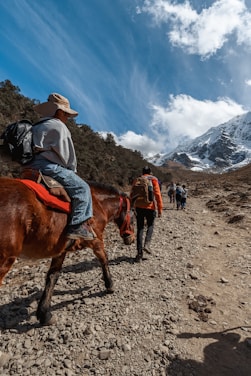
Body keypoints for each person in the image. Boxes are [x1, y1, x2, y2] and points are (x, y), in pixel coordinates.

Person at [24, 93, 96, 241]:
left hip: (31, 165)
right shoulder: (58, 126)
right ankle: (77, 226)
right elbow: (67, 156)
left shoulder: (36, 126)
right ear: (59, 111)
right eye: (66, 114)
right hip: (49, 167)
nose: (67, 118)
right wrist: (72, 171)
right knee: (82, 188)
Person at [130, 166, 163, 262]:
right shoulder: (153, 179)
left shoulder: (137, 179)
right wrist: (160, 209)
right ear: (150, 172)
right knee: (150, 225)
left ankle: (139, 254)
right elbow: (157, 194)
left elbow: (132, 193)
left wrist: (131, 207)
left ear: (142, 171)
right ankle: (147, 244)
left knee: (140, 228)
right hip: (150, 207)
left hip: (139, 207)